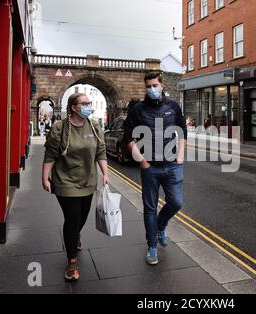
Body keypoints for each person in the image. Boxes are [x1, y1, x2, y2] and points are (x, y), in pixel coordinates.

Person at [42, 93, 110, 281]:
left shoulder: (94, 126)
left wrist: (105, 173)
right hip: (65, 180)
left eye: (89, 103)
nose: (89, 106)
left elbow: (101, 151)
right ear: (73, 107)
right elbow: (51, 154)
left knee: (82, 216)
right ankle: (72, 261)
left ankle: (74, 236)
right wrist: (45, 177)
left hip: (88, 180)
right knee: (72, 219)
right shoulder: (60, 128)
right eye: (85, 103)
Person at [123, 72, 187, 265]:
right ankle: (152, 246)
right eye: (148, 86)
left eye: (154, 85)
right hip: (150, 167)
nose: (151, 89)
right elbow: (128, 138)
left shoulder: (173, 107)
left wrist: (181, 155)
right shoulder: (138, 110)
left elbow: (182, 131)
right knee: (150, 208)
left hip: (172, 165)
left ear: (162, 85)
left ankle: (161, 225)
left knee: (176, 203)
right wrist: (142, 161)